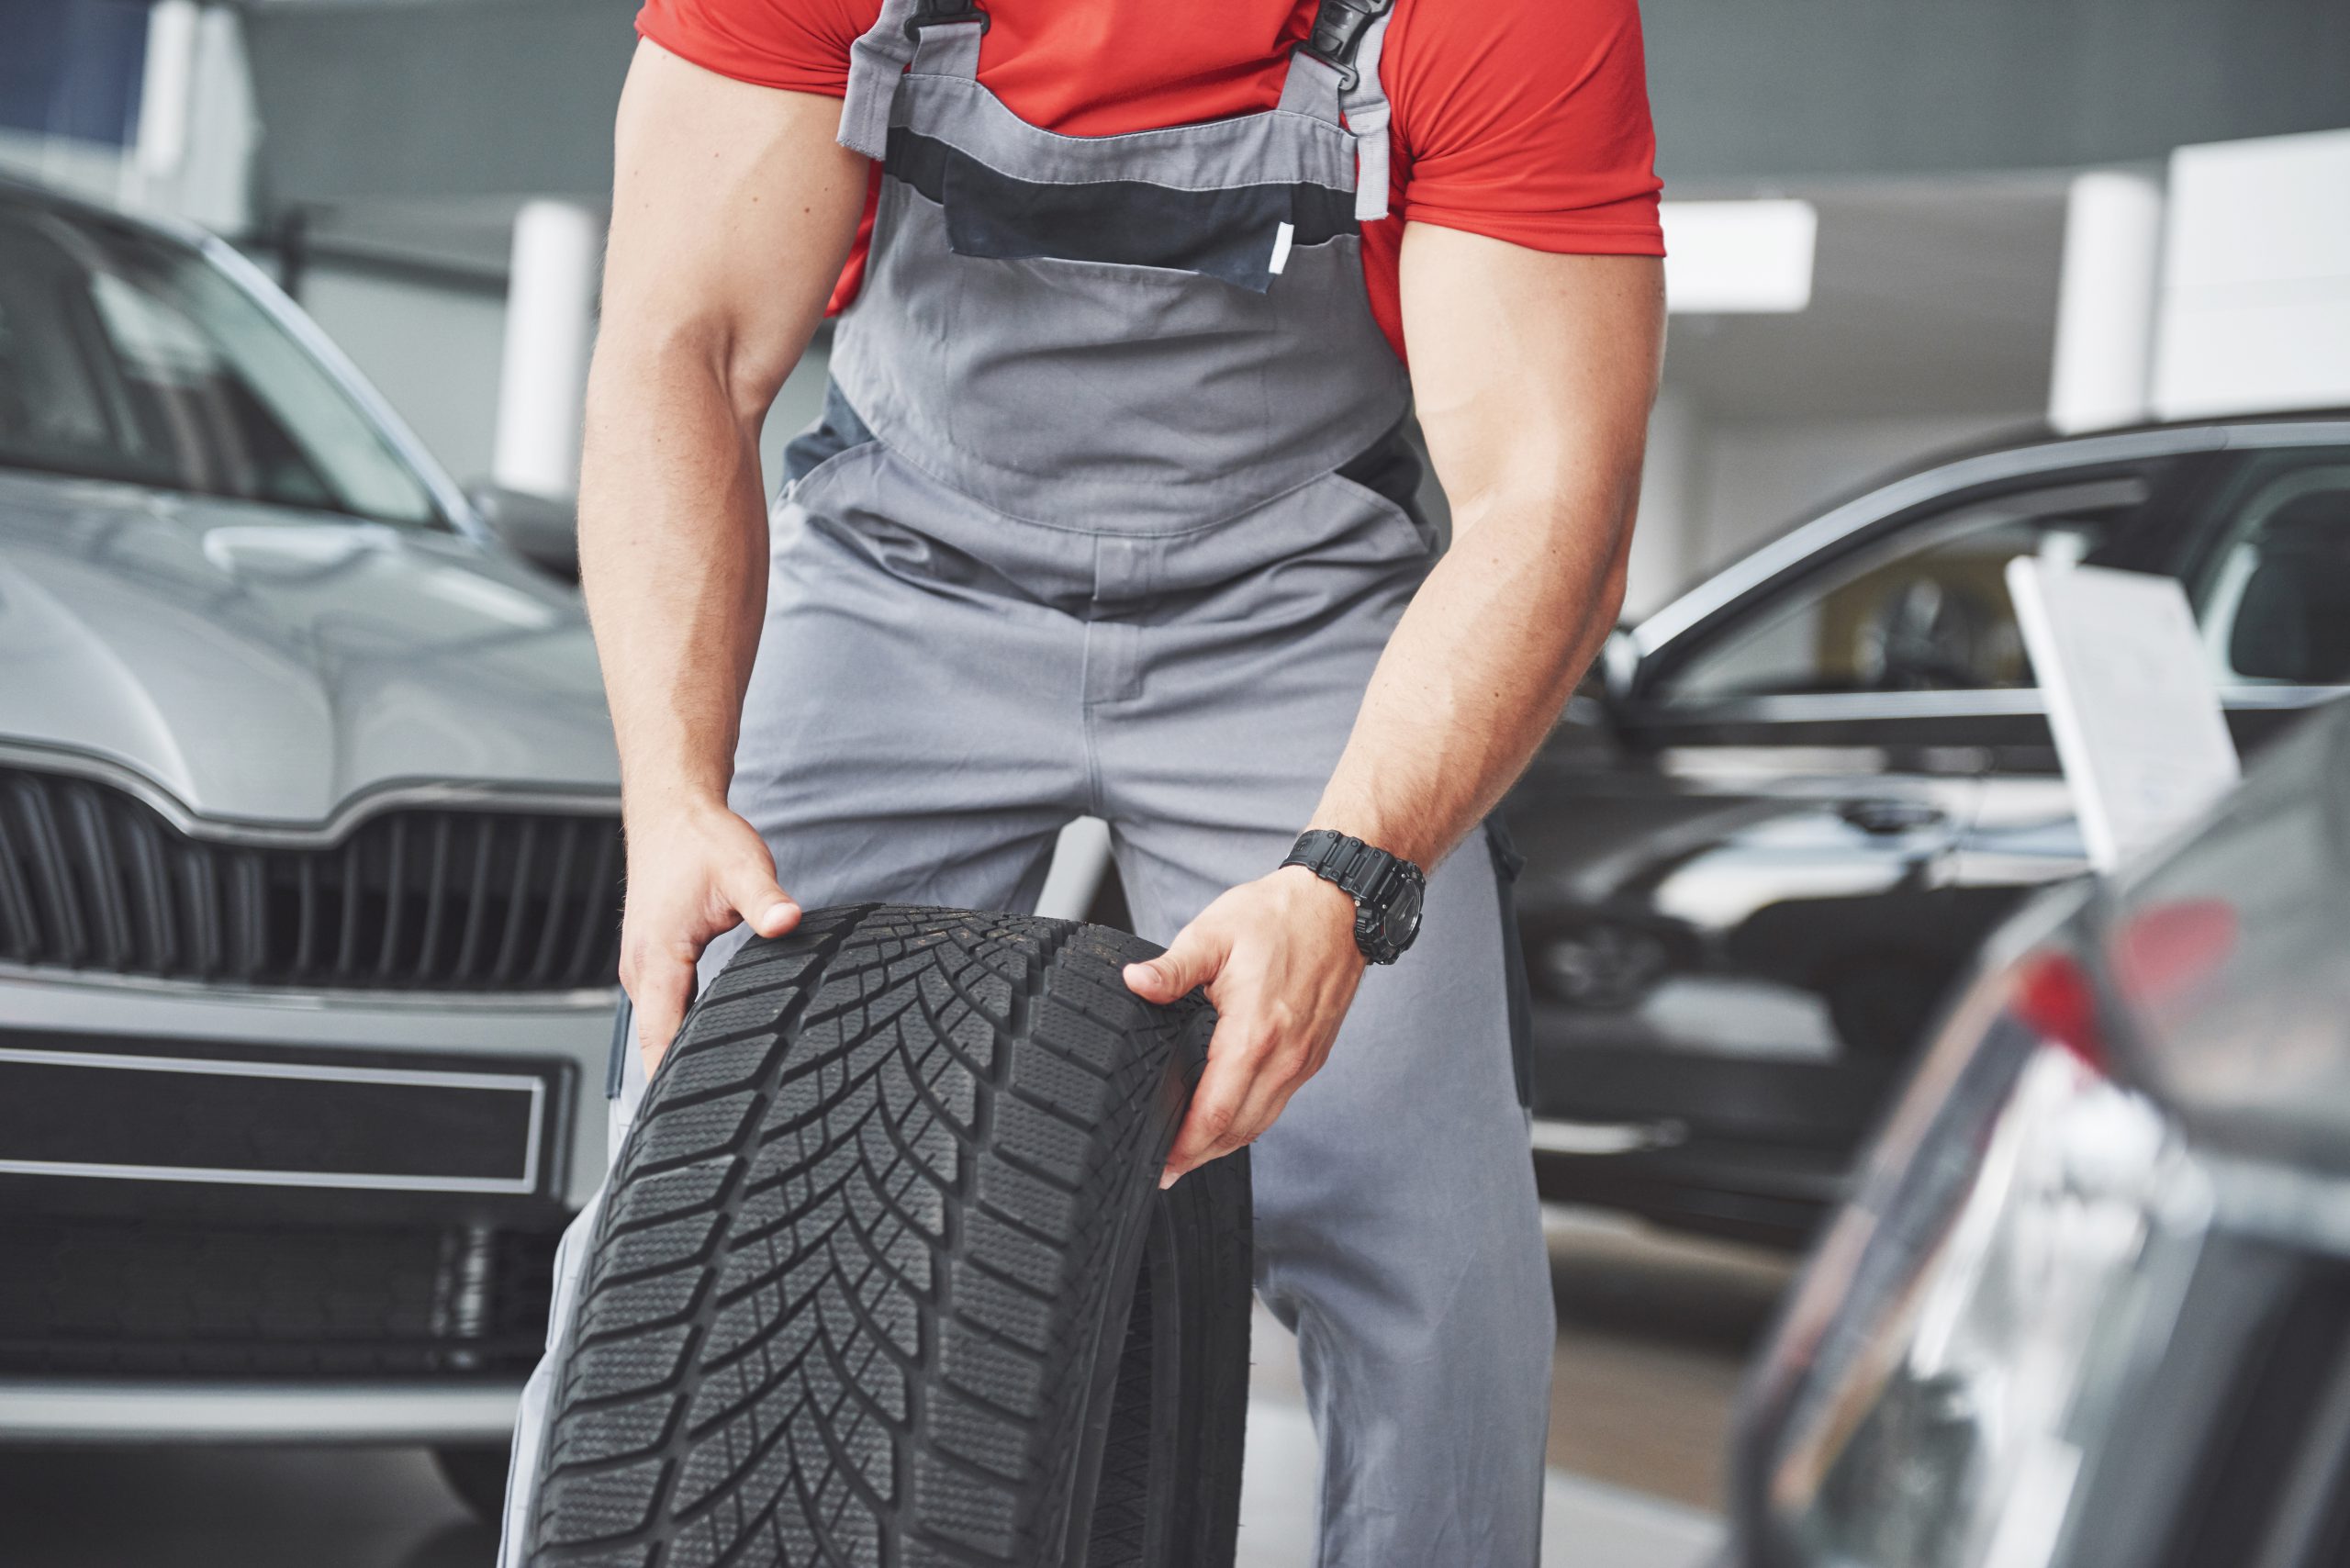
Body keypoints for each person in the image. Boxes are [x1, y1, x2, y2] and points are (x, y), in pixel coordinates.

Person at [508, 0, 1662, 1560]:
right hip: (903, 575)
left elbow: (1550, 494)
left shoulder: (1497, 17)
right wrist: (673, 790)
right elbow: (683, 347)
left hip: (1296, 608)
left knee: (1425, 1251)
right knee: (671, 1180)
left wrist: (1355, 877)